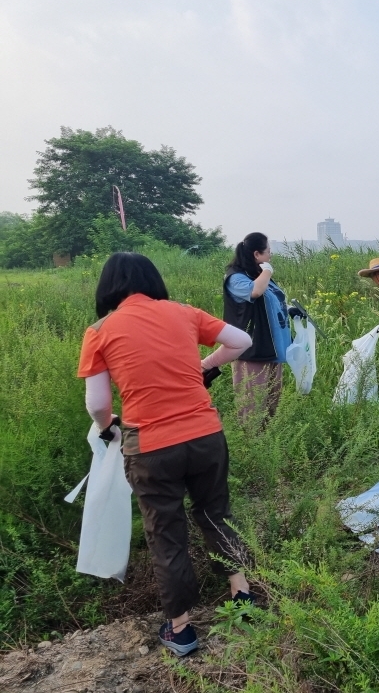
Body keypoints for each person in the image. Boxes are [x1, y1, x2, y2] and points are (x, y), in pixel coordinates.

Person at [78, 252, 256, 657]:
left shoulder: (100, 330)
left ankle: (181, 629)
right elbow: (242, 342)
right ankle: (242, 596)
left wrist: (108, 426)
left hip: (152, 447)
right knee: (215, 512)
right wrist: (203, 368)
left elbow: (96, 403)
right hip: (206, 436)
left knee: (166, 533)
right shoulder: (183, 312)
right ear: (153, 279)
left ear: (107, 286)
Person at [223, 233, 292, 424]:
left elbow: (273, 302)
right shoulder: (236, 278)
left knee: (271, 403)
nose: (270, 256)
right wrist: (268, 271)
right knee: (252, 404)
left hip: (273, 349)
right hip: (252, 351)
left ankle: (268, 446)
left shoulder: (258, 276)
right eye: (268, 252)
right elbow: (255, 291)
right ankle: (251, 448)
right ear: (256, 254)